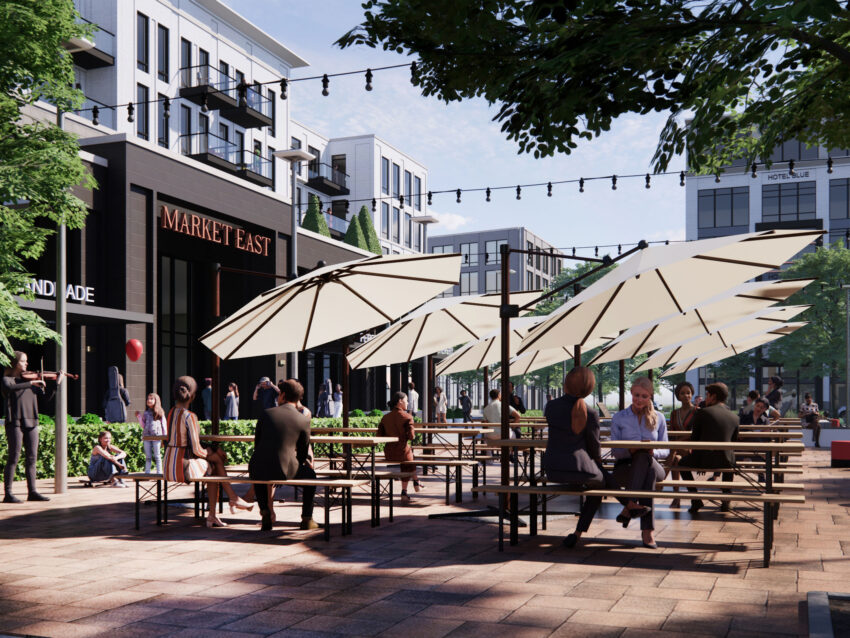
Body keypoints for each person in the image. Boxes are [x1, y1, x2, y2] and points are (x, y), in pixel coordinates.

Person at [543, 367, 640, 548]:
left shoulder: (551, 407)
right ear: (589, 389)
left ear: (565, 384)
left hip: (552, 468)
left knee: (601, 480)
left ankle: (629, 506)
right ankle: (626, 507)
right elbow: (594, 448)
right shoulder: (591, 413)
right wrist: (598, 462)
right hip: (579, 470)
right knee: (602, 481)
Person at [163, 376, 252, 527]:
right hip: (182, 469)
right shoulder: (189, 416)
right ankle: (228, 502)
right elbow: (197, 450)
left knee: (214, 463)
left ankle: (220, 509)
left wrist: (210, 452)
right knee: (216, 463)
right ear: (193, 396)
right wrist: (211, 453)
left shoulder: (170, 413)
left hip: (167, 466)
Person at [249, 379, 319, 531]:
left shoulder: (266, 414)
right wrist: (288, 467)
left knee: (260, 472)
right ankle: (307, 519)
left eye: (279, 394)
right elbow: (302, 453)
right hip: (286, 468)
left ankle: (265, 512)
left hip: (257, 466)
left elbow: (258, 444)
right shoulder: (303, 420)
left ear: (283, 395)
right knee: (311, 476)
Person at [610, 376, 669, 549]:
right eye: (637, 395)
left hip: (655, 464)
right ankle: (647, 531)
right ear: (631, 393)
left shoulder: (659, 417)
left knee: (646, 459)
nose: (639, 400)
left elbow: (666, 450)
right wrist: (630, 450)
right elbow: (615, 452)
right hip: (625, 467)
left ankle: (629, 506)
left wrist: (654, 451)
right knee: (647, 471)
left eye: (644, 396)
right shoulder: (619, 417)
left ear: (650, 396)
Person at [2, 350, 60, 502]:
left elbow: (46, 398)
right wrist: (31, 383)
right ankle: (8, 493)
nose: (27, 364)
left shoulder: (32, 382)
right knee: (14, 457)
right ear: (15, 363)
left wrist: (55, 385)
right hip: (15, 421)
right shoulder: (8, 380)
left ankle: (32, 492)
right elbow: (9, 388)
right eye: (23, 361)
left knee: (32, 457)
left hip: (32, 421)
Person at [677, 382, 739, 514]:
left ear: (713, 396)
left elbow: (695, 440)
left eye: (707, 395)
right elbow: (733, 443)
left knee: (681, 463)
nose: (706, 398)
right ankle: (726, 501)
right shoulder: (735, 417)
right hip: (727, 461)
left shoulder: (703, 413)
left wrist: (697, 459)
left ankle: (696, 500)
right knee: (729, 460)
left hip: (704, 459)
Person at [378, 391, 422, 502]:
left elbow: (379, 436)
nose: (407, 403)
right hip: (402, 452)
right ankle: (409, 487)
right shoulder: (407, 417)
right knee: (408, 457)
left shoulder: (385, 418)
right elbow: (412, 437)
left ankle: (414, 484)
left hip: (389, 453)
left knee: (408, 456)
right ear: (400, 401)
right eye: (406, 401)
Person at [667, 381, 697, 508]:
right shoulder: (674, 413)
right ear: (678, 396)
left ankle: (676, 496)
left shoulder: (698, 411)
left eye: (688, 393)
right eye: (682, 393)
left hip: (692, 447)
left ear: (692, 394)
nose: (686, 396)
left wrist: (676, 443)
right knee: (675, 460)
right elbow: (672, 432)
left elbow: (695, 433)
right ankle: (676, 495)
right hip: (677, 448)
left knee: (673, 458)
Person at [135, 393, 167, 473]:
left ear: (156, 401)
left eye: (151, 399)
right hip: (147, 437)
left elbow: (164, 425)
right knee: (148, 456)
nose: (149, 400)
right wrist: (139, 417)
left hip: (157, 437)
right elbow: (143, 425)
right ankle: (147, 472)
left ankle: (159, 472)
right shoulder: (146, 412)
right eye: (148, 399)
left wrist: (164, 437)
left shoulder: (160, 412)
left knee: (157, 455)